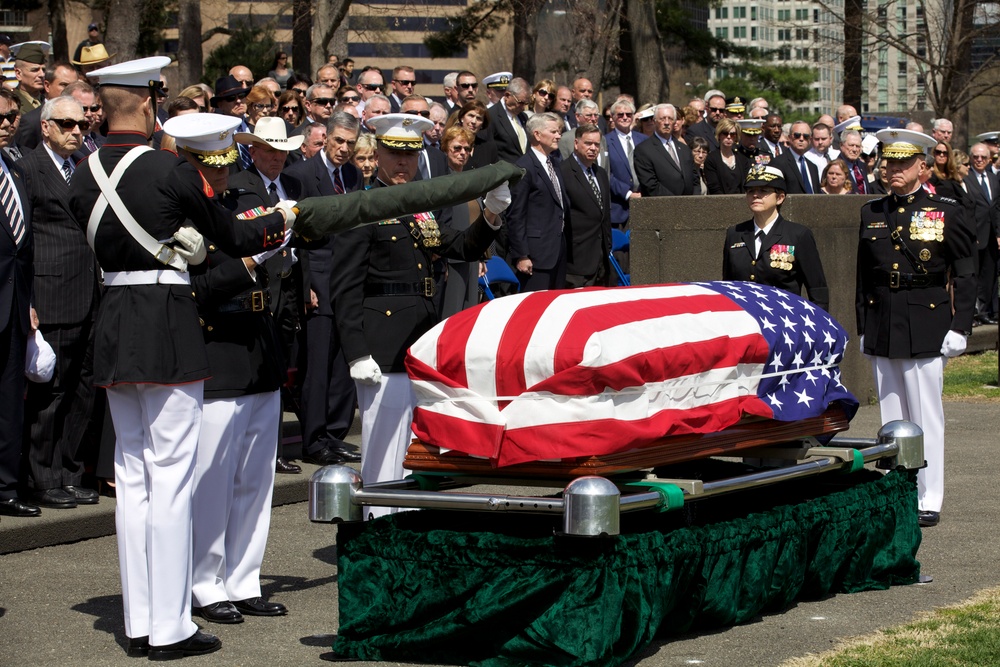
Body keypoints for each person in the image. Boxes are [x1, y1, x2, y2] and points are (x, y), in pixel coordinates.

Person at [68, 56, 293, 660]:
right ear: (147, 101)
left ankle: (141, 619)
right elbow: (238, 236)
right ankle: (170, 628)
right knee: (170, 480)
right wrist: (284, 217)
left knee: (136, 480)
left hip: (115, 325)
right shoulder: (169, 169)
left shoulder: (81, 174)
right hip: (166, 326)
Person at [328, 113, 509, 518]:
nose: (402, 165)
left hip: (420, 339)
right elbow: (344, 288)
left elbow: (460, 248)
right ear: (377, 155)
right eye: (394, 155)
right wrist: (356, 351)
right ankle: (376, 530)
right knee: (382, 453)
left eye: (409, 157)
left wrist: (492, 216)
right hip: (382, 347)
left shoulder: (421, 209)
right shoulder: (363, 207)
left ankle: (403, 526)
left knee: (414, 451)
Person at [188, 114, 297, 625]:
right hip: (218, 347)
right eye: (212, 168)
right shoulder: (186, 218)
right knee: (215, 477)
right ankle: (204, 584)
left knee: (255, 478)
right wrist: (252, 263)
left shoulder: (249, 207)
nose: (222, 178)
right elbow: (198, 291)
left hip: (259, 344)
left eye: (227, 167)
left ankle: (244, 577)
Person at [856, 128, 977, 529]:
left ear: (923, 167)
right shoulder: (871, 212)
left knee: (926, 413)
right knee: (892, 413)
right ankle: (897, 487)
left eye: (903, 164)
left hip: (926, 317)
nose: (892, 170)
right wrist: (862, 324)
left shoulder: (946, 210)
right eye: (889, 163)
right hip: (883, 318)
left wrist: (961, 327)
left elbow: (965, 273)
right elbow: (863, 276)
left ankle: (929, 494)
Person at [20, 96, 101, 510]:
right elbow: (22, 241)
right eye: (66, 124)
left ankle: (69, 472)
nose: (76, 131)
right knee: (49, 393)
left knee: (82, 390)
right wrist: (28, 300)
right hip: (51, 293)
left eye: (81, 125)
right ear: (46, 126)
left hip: (89, 291)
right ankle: (41, 477)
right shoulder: (28, 168)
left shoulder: (88, 168)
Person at [285, 113, 364, 467]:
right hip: (316, 279)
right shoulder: (301, 175)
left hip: (347, 278)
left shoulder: (353, 174)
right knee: (316, 364)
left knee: (343, 363)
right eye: (338, 142)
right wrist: (306, 285)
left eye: (350, 143)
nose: (344, 150)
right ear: (325, 138)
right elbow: (296, 238)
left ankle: (334, 433)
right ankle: (313, 438)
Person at [0, 88, 40, 519]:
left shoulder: (14, 165)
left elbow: (23, 244)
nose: (9, 123)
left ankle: (6, 487)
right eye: (2, 117)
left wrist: (29, 300)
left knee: (10, 400)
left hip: (14, 302)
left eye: (13, 117)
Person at [723, 164, 829, 311]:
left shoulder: (798, 235)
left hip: (784, 322)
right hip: (745, 322)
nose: (755, 195)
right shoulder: (735, 233)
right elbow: (728, 286)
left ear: (780, 198)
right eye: (751, 190)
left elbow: (817, 289)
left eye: (763, 190)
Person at [507, 112, 571, 291]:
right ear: (537, 134)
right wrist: (521, 255)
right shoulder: (524, 167)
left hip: (557, 252)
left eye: (559, 131)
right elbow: (516, 215)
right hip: (536, 256)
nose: (558, 136)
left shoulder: (555, 164)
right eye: (553, 132)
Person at [561, 124, 612, 288]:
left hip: (601, 260)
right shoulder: (563, 172)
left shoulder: (601, 174)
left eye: (597, 145)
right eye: (588, 143)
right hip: (575, 262)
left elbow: (604, 215)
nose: (593, 148)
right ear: (576, 143)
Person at [439, 125, 481, 316]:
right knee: (451, 313)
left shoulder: (471, 180)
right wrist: (443, 261)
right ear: (445, 149)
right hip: (452, 259)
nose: (462, 153)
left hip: (471, 257)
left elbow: (477, 219)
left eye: (466, 148)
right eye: (457, 148)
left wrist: (482, 257)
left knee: (468, 311)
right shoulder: (442, 179)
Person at [963, 143, 1000, 326]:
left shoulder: (993, 179)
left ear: (988, 159)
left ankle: (985, 311)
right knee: (973, 276)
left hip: (992, 237)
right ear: (971, 158)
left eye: (983, 157)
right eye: (976, 157)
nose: (979, 160)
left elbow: (997, 208)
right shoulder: (966, 178)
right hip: (974, 235)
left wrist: (999, 233)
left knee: (989, 276)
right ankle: (973, 313)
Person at [633, 104, 698, 197]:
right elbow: (650, 185)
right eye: (662, 119)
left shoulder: (684, 149)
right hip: (663, 206)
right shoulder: (643, 150)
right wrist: (676, 203)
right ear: (654, 121)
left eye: (670, 119)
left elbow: (695, 179)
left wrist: (694, 201)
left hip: (689, 206)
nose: (667, 122)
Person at [605, 97, 646, 228]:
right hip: (618, 208)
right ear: (612, 117)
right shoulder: (604, 142)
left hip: (643, 204)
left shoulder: (644, 140)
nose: (624, 117)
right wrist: (628, 194)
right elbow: (605, 173)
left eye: (628, 114)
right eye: (620, 114)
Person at [770, 121, 821, 194]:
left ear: (810, 140)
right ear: (790, 137)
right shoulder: (778, 163)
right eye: (797, 135)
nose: (801, 139)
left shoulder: (813, 167)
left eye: (806, 136)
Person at [445, 100, 497, 170]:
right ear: (462, 118)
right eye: (471, 116)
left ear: (482, 124)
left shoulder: (488, 148)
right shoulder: (450, 142)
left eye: (479, 118)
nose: (473, 121)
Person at [488, 77, 531, 164]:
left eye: (526, 103)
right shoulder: (491, 116)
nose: (523, 108)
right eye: (520, 102)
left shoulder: (523, 117)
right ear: (507, 96)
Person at [703, 118, 750, 195]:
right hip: (720, 202)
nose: (729, 137)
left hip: (741, 202)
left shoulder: (742, 159)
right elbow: (714, 187)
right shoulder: (711, 159)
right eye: (725, 133)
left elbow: (746, 184)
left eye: (732, 134)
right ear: (719, 135)